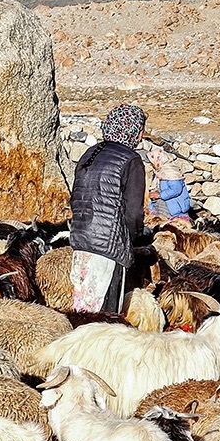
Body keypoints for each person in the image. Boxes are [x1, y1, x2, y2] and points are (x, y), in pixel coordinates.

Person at [68, 104, 147, 314]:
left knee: (82, 307)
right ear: (132, 130)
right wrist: (134, 239)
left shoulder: (90, 154)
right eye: (140, 130)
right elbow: (133, 213)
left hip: (81, 241)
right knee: (106, 315)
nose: (141, 137)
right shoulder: (131, 161)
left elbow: (75, 197)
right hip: (109, 248)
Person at [146, 146, 191, 222]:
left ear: (158, 163)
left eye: (152, 163)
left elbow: (176, 189)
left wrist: (160, 195)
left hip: (174, 209)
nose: (151, 165)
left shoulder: (171, 173)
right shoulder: (159, 173)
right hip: (163, 207)